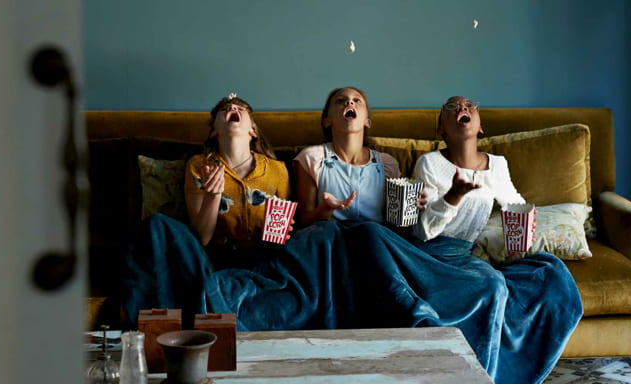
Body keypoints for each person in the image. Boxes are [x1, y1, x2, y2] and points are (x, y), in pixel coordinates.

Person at [408, 96, 584, 383]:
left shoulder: (498, 166)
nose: (462, 109)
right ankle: (477, 377)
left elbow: (517, 206)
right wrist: (454, 195)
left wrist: (519, 244)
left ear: (480, 126)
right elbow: (424, 231)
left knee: (550, 272)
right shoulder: (429, 163)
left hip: (465, 255)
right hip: (429, 255)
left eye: (468, 106)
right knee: (491, 286)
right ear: (441, 130)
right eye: (452, 108)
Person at [121, 93, 291, 328]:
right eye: (225, 109)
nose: (233, 107)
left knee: (320, 237)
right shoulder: (199, 166)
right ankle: (151, 331)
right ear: (214, 131)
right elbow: (201, 237)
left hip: (260, 261)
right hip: (210, 259)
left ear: (253, 130)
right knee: (157, 224)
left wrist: (280, 233)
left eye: (241, 108)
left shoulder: (277, 170)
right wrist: (212, 197)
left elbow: (279, 238)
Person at [293, 86, 404, 226]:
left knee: (370, 229)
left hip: (373, 239)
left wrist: (413, 209)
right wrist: (326, 208)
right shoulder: (311, 158)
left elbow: (396, 224)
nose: (349, 103)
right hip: (329, 238)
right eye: (340, 101)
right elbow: (303, 222)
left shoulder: (387, 164)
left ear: (367, 121)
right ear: (327, 120)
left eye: (357, 100)